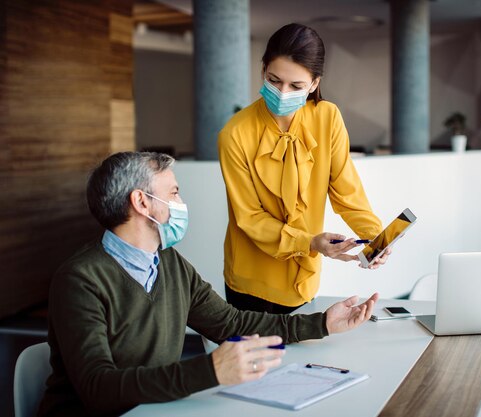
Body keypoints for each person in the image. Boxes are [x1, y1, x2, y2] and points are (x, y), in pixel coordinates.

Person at [37, 152, 378, 417]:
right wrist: (210, 371)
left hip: (159, 409)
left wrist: (321, 323)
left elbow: (231, 323)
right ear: (141, 202)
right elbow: (98, 388)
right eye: (173, 193)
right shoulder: (79, 280)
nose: (180, 203)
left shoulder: (169, 262)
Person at [218, 23, 388, 314]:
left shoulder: (328, 117)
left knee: (301, 359)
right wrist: (309, 242)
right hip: (251, 280)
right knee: (258, 359)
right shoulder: (235, 133)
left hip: (303, 274)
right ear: (263, 71)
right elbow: (249, 217)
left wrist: (375, 236)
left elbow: (346, 188)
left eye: (296, 86)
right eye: (274, 80)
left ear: (314, 84)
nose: (283, 93)